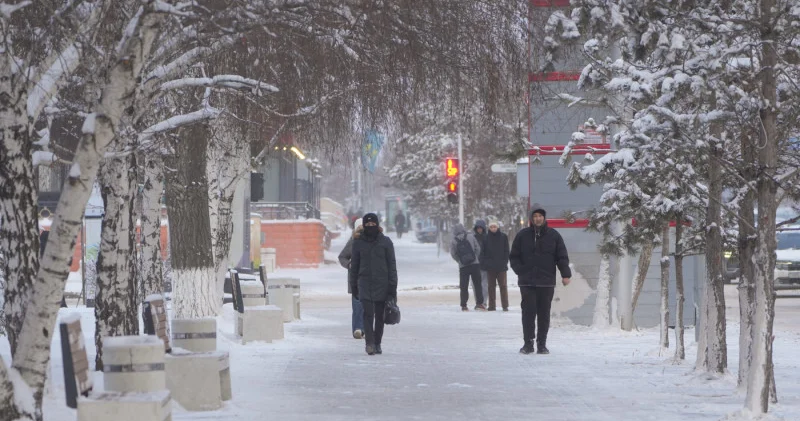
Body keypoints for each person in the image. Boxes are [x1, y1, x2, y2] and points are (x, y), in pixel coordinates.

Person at [509, 204, 571, 355]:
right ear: (531, 218)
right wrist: (520, 270)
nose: (538, 219)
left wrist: (565, 274)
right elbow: (514, 256)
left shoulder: (554, 236)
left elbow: (561, 256)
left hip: (546, 282)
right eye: (535, 216)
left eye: (540, 216)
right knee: (528, 314)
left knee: (544, 315)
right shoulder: (522, 235)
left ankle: (542, 345)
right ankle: (528, 344)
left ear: (544, 218)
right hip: (527, 282)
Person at [349, 213, 398, 355]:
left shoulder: (386, 242)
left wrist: (392, 287)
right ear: (364, 225)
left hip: (382, 284)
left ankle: (377, 343)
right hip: (364, 283)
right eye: (368, 224)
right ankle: (369, 343)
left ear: (378, 225)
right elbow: (354, 267)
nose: (371, 226)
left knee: (380, 316)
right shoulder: (358, 243)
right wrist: (354, 286)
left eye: (373, 224)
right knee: (368, 314)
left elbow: (392, 266)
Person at [338, 219, 365, 339]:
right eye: (360, 228)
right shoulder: (353, 241)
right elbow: (342, 257)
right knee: (357, 305)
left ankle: (365, 329)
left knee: (368, 307)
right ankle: (358, 329)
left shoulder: (374, 240)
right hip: (356, 280)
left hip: (370, 279)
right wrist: (349, 265)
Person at [450, 223, 486, 311]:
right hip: (475, 265)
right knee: (477, 285)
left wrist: (460, 261)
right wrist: (474, 258)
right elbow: (478, 249)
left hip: (463, 267)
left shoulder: (454, 240)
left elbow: (453, 254)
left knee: (464, 286)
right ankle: (479, 304)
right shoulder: (471, 236)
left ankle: (464, 305)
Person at [481, 219, 510, 311]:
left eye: (494, 227)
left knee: (503, 286)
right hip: (490, 267)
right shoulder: (485, 238)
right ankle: (492, 306)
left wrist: (505, 261)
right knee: (491, 287)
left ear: (497, 227)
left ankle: (505, 306)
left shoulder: (503, 237)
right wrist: (486, 263)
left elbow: (506, 250)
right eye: (491, 227)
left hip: (501, 266)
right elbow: (483, 252)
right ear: (489, 228)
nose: (493, 228)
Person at [473, 219, 489, 307]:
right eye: (478, 228)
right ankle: (478, 302)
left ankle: (484, 301)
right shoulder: (473, 238)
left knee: (484, 284)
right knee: (475, 284)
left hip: (484, 264)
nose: (479, 229)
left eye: (481, 228)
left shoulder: (487, 237)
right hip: (475, 264)